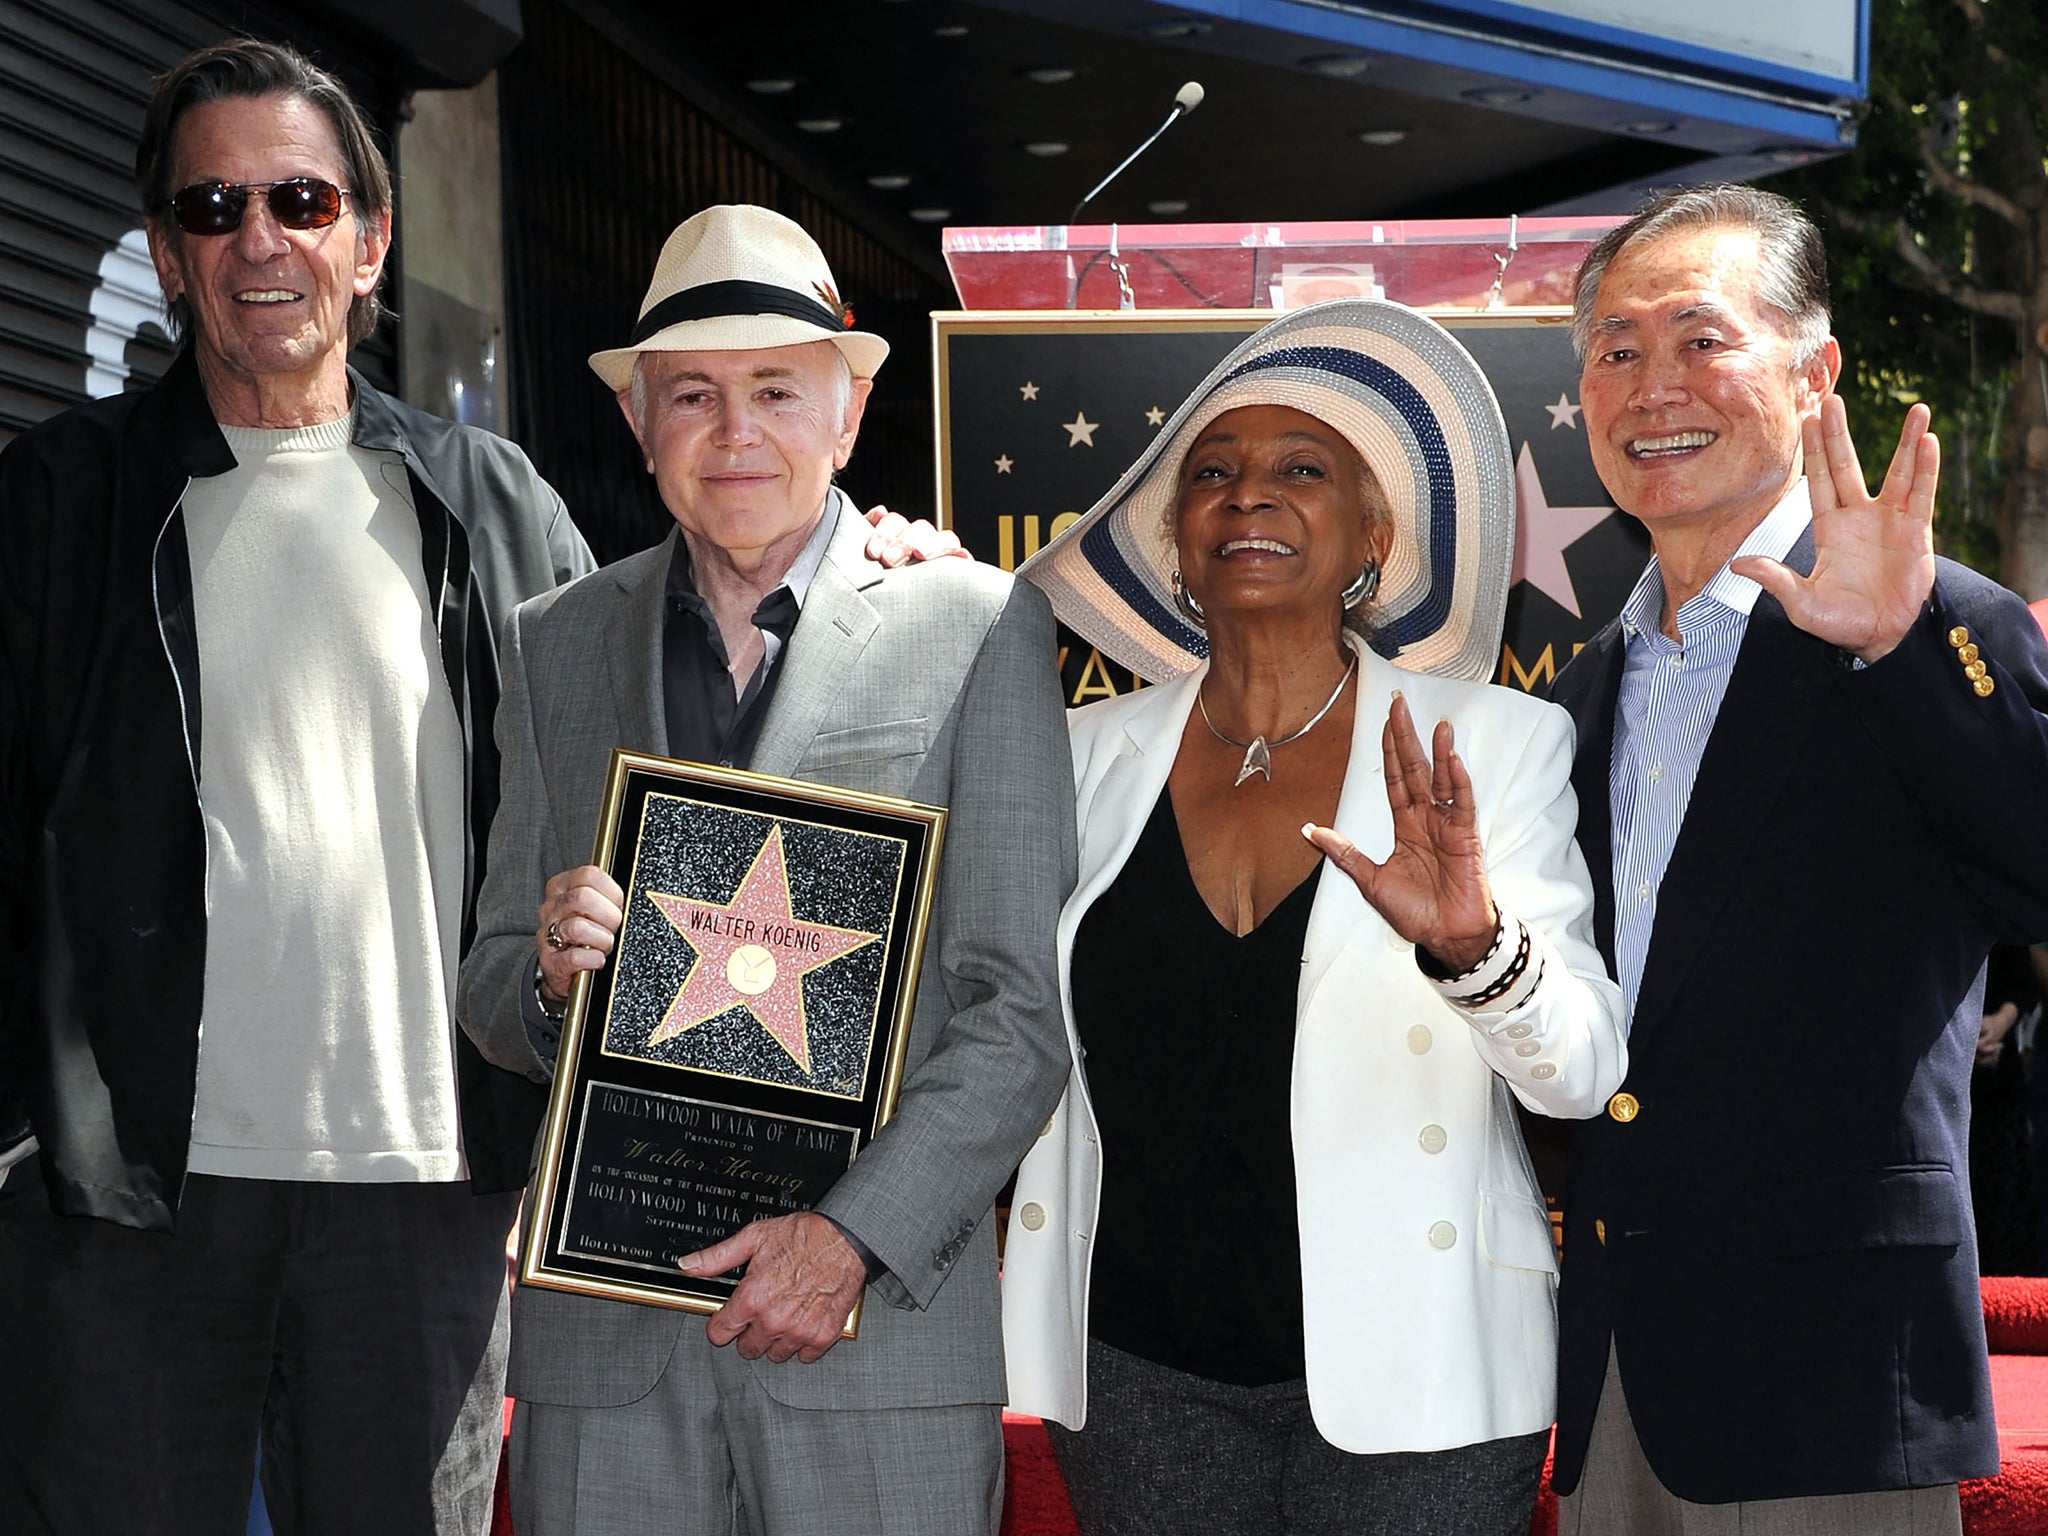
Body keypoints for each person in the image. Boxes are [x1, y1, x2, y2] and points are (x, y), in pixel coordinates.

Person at [0, 38, 597, 1536]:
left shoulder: (496, 502)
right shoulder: (60, 499)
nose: (258, 238)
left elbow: (641, 763)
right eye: (212, 208)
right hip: (127, 1202)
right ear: (164, 252)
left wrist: (858, 566)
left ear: (370, 236)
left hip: (425, 1185)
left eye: (300, 198)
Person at [456, 203, 1075, 1536]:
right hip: (609, 1355)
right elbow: (492, 981)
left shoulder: (979, 627)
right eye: (692, 394)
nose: (735, 432)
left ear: (847, 416)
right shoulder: (555, 640)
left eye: (776, 391)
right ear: (642, 425)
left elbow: (1017, 1014)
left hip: (877, 1346)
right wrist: (554, 980)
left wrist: (851, 1238)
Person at [1004, 300, 1630, 1535]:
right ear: (1177, 545)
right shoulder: (1070, 757)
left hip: (1426, 1366)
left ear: (1370, 539)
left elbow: (1580, 1075)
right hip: (1134, 1369)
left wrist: (1473, 949)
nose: (1248, 497)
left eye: (1301, 469)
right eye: (1214, 475)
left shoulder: (1494, 745)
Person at [1548, 183, 2048, 1534]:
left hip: (1831, 1376)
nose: (1654, 388)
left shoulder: (1930, 617)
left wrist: (1898, 650)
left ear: (1814, 369)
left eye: (1701, 340)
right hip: (1614, 1385)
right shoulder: (1585, 684)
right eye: (1615, 350)